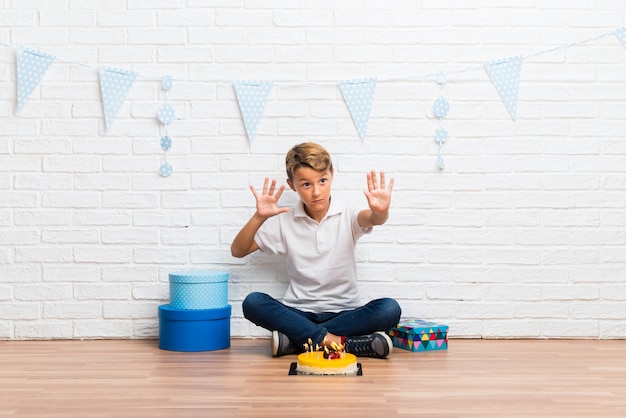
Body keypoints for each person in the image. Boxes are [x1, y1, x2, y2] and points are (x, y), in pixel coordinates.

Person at [231, 142, 401, 358]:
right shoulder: (285, 221)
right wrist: (259, 217)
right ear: (292, 185)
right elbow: (238, 250)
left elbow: (372, 218)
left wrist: (381, 212)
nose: (316, 192)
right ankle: (340, 343)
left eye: (322, 181)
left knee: (389, 309)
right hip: (299, 313)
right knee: (253, 302)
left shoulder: (348, 212)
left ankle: (298, 341)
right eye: (306, 184)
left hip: (345, 312)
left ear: (332, 175)